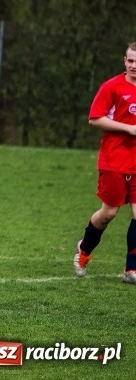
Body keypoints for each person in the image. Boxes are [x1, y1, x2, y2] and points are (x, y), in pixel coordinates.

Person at [74, 42, 136, 284]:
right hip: (114, 159)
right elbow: (95, 118)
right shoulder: (112, 87)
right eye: (130, 61)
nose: (134, 66)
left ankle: (131, 270)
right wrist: (128, 129)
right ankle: (84, 250)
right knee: (108, 212)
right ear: (124, 61)